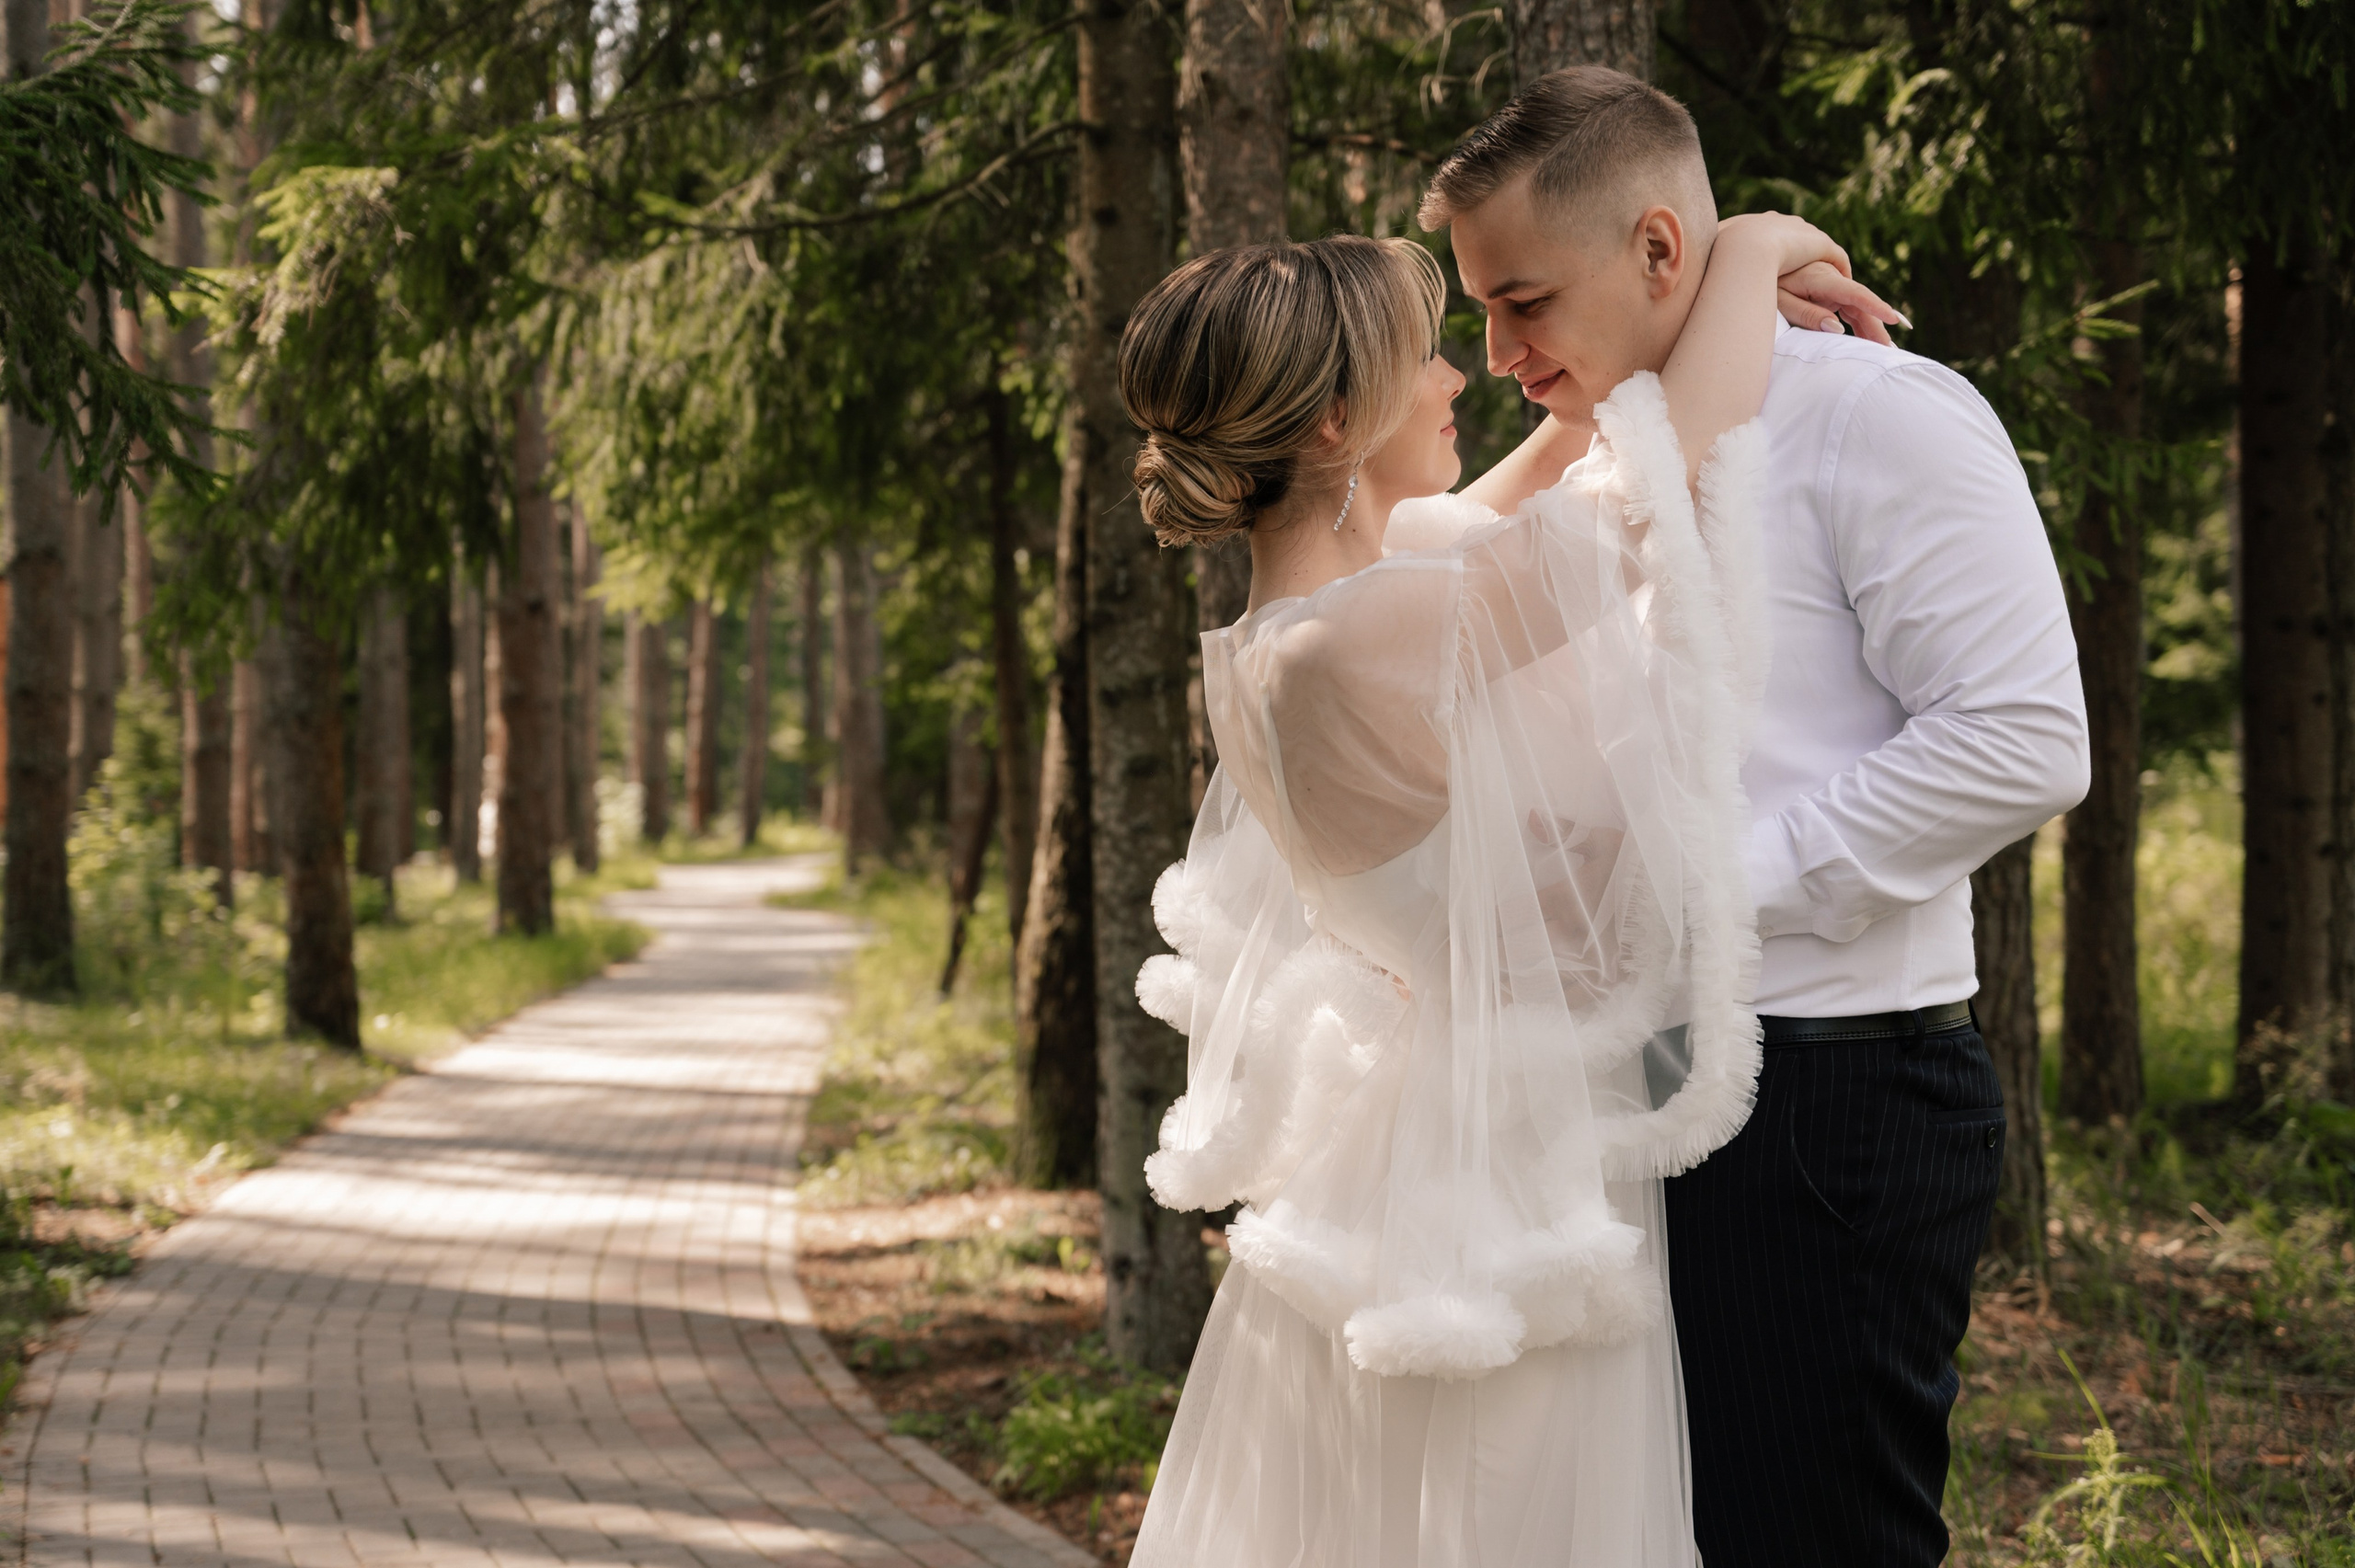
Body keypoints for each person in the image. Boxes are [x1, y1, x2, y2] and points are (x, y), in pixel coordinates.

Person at [1116, 206, 1895, 1562]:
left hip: (1415, 1159)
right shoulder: (1364, 639)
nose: (1459, 377)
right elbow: (1657, 485)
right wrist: (1760, 248)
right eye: (1426, 356)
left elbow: (1547, 482)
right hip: (1503, 1204)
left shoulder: (1276, 638)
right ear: (1328, 426)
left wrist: (1613, 359)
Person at [1420, 68, 2089, 1567]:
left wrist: (1702, 885)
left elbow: (2023, 738)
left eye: (1524, 298)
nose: (1502, 354)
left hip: (1825, 1109)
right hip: (1624, 1108)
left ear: (1663, 251)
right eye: (1479, 313)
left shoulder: (1884, 417)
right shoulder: (1606, 460)